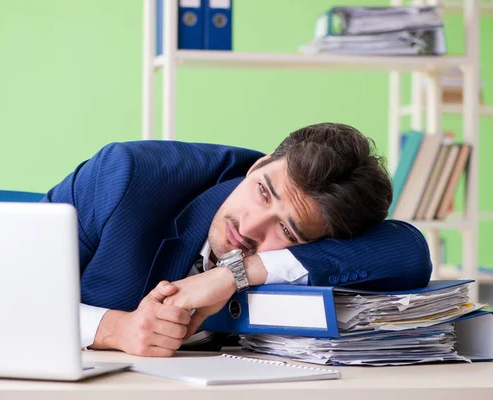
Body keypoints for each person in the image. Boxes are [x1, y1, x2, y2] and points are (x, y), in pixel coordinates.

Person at [41, 122, 432, 357]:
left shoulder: (318, 230)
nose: (250, 227)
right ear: (260, 164)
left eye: (286, 231)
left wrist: (237, 273)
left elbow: (408, 250)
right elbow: (4, 289)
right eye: (263, 192)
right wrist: (114, 329)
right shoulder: (125, 178)